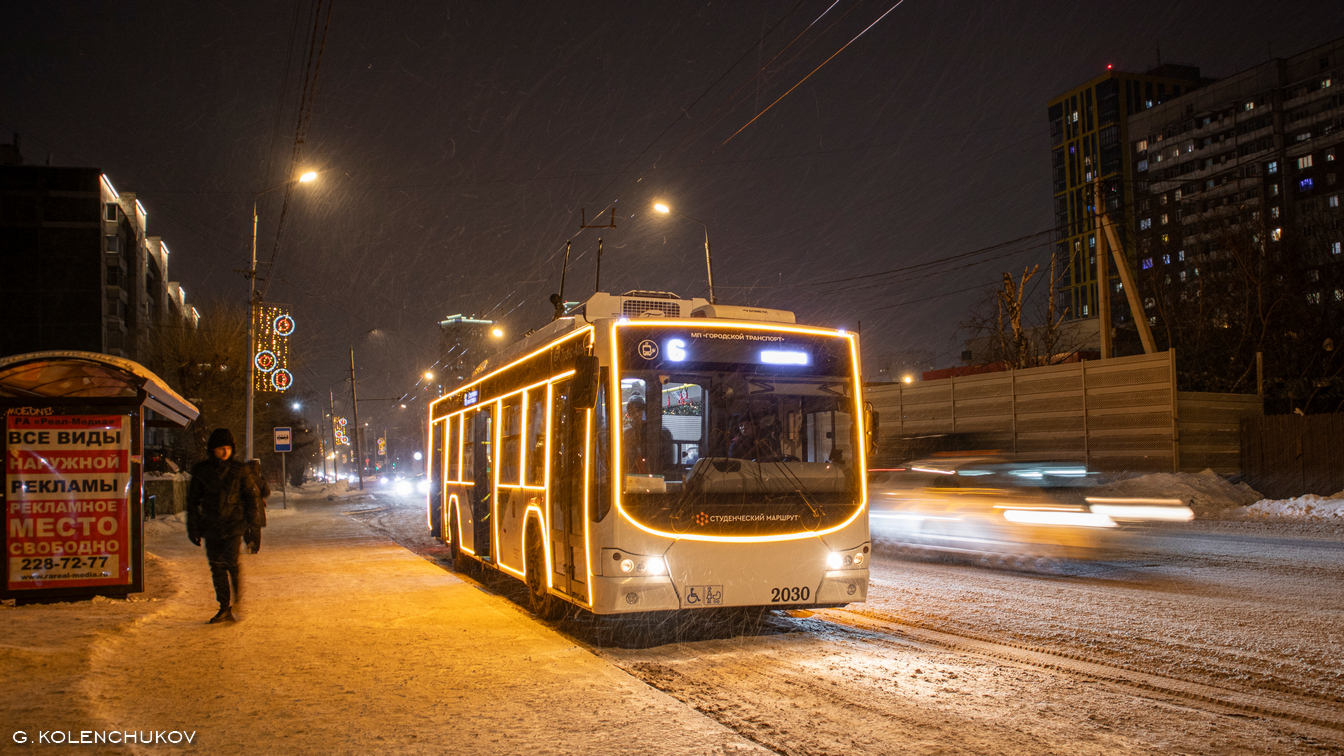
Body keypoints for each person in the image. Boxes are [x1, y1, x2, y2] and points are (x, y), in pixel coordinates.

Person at [185, 429, 263, 624]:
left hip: (233, 526)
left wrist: (252, 529)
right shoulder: (202, 471)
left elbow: (252, 500)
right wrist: (193, 529)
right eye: (221, 448)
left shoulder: (240, 469)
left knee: (232, 565)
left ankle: (237, 602)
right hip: (211, 527)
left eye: (228, 448)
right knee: (217, 568)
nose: (225, 452)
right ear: (213, 449)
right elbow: (192, 502)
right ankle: (224, 607)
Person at [244, 459, 270, 554]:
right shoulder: (260, 480)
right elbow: (266, 492)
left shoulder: (244, 479)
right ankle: (255, 548)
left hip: (245, 505)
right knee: (256, 527)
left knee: (245, 526)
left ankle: (249, 541)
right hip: (257, 505)